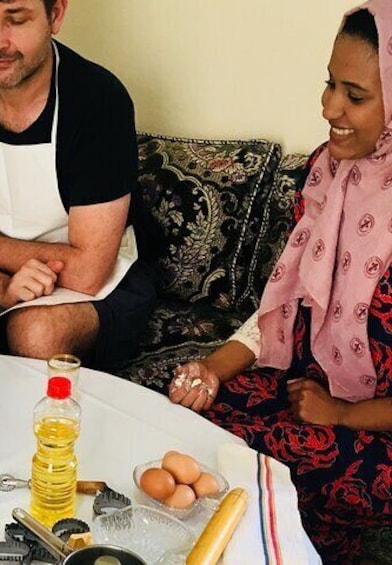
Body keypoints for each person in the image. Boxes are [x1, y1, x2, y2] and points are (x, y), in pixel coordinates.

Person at [169, 3, 392, 562]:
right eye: (329, 84)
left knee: (254, 452)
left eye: (355, 96)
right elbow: (287, 301)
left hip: (372, 423)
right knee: (185, 414)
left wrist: (340, 415)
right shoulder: (328, 170)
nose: (329, 108)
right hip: (311, 388)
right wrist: (210, 371)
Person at [0, 0, 156, 370]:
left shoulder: (98, 101)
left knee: (35, 333)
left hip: (102, 284)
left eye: (16, 20)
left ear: (56, 15)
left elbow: (87, 272)